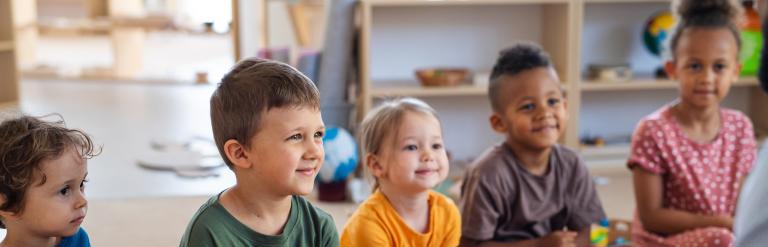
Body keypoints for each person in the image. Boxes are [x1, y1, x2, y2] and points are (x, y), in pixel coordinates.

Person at [628, 0, 758, 245]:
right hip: (666, 240)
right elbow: (651, 217)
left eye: (719, 67)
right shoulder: (653, 130)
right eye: (695, 66)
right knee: (722, 238)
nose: (707, 78)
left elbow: (742, 204)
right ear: (672, 69)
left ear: (736, 71)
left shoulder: (740, 127)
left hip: (726, 235)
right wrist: (719, 224)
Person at [179, 58, 339, 246]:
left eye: (318, 134)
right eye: (296, 137)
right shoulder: (208, 234)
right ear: (240, 153)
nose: (314, 151)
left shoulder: (320, 228)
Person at [459, 43, 605, 247]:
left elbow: (597, 229)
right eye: (528, 106)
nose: (544, 113)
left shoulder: (572, 164)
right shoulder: (488, 174)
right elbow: (469, 246)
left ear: (565, 107)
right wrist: (538, 245)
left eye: (552, 101)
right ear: (499, 123)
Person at [341, 97, 461, 246]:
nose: (428, 156)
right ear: (377, 165)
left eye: (436, 145)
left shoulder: (448, 213)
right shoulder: (368, 225)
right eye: (411, 147)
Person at [0, 115, 98, 247]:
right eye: (64, 191)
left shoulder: (78, 240)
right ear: (10, 205)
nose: (82, 201)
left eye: (81, 184)